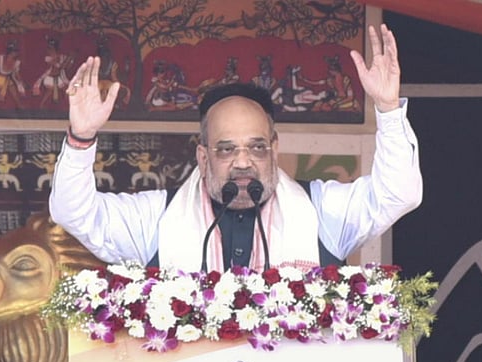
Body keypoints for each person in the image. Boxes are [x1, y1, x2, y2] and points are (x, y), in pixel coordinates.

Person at [49, 24, 422, 273]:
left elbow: (397, 195)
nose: (243, 161)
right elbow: (74, 213)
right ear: (203, 155)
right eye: (226, 150)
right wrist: (81, 138)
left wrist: (388, 111)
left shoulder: (321, 211)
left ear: (275, 150)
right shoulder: (156, 218)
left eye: (256, 147)